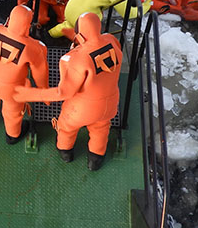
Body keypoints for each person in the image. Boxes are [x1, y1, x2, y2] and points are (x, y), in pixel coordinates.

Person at [16, 13, 123, 171]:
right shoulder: (112, 41)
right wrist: (77, 37)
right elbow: (96, 45)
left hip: (81, 109)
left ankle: (66, 153)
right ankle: (95, 160)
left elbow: (64, 92)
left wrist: (33, 94)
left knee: (67, 128)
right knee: (101, 129)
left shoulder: (75, 59)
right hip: (110, 103)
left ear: (80, 35)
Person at [0, 5, 49, 142]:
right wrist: (42, 90)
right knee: (13, 113)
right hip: (13, 89)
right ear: (28, 26)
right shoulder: (35, 47)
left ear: (9, 20)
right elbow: (40, 73)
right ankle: (12, 135)